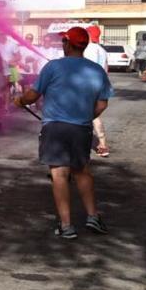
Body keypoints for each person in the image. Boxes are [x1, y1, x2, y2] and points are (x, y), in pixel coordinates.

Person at [14, 26, 112, 239]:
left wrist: (19, 101)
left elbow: (32, 96)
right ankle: (93, 216)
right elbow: (102, 103)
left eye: (64, 41)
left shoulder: (53, 67)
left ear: (67, 44)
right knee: (82, 171)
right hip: (82, 128)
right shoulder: (96, 70)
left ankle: (67, 226)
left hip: (55, 128)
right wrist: (85, 116)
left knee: (59, 174)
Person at [83, 26, 110, 157]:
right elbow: (106, 69)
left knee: (92, 116)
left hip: (88, 85)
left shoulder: (88, 49)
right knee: (94, 114)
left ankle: (102, 145)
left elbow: (84, 69)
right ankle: (102, 144)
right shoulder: (102, 50)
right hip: (101, 85)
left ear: (89, 34)